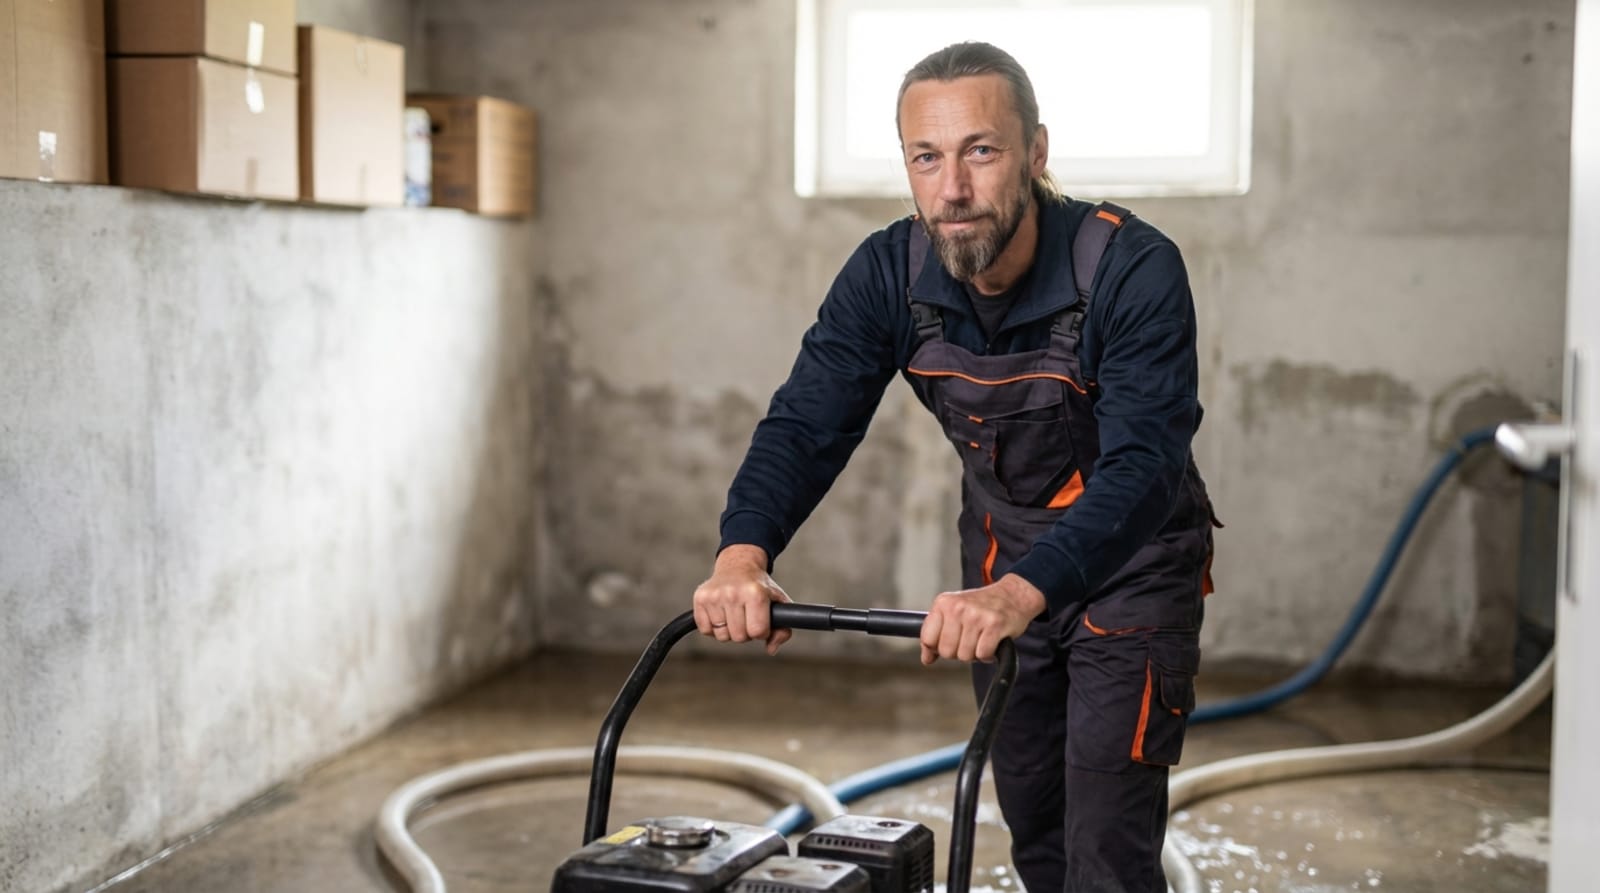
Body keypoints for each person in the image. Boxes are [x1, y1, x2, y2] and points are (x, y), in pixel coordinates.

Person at [691, 41, 1217, 893]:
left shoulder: (1130, 267)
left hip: (1132, 570)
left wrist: (1020, 592)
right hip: (1001, 559)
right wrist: (742, 554)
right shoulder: (888, 274)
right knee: (1036, 821)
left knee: (1106, 847)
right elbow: (806, 423)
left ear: (1036, 153)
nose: (953, 189)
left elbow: (1145, 467)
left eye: (981, 150)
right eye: (926, 159)